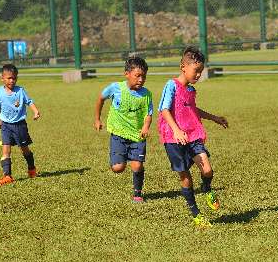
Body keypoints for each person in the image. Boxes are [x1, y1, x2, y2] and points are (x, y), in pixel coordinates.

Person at [158, 47, 228, 228]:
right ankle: (196, 214)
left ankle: (206, 187)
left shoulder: (190, 90)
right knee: (186, 177)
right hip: (174, 139)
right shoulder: (171, 85)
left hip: (192, 135)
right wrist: (176, 130)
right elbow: (164, 110)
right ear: (183, 67)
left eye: (201, 71)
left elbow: (192, 110)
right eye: (196, 71)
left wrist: (214, 118)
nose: (198, 75)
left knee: (207, 169)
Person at [94, 56, 153, 202]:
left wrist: (146, 126)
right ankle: (121, 157)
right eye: (137, 76)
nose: (141, 79)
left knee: (137, 166)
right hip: (119, 133)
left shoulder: (146, 94)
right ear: (126, 74)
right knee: (118, 168)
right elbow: (100, 99)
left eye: (143, 76)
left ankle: (137, 194)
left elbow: (148, 114)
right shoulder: (116, 88)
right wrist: (97, 119)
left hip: (137, 135)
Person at [0, 63, 40, 185]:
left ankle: (32, 169)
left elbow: (29, 102)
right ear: (2, 78)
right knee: (5, 150)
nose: (12, 80)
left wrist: (35, 111)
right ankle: (7, 176)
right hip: (6, 126)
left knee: (24, 149)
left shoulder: (20, 91)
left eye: (14, 78)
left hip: (19, 125)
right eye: (9, 78)